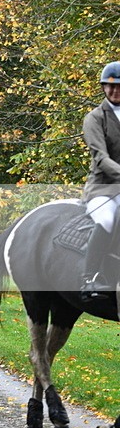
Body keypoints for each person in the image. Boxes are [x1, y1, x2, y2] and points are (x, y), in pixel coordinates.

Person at [81, 61, 120, 301]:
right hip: (102, 189)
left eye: (119, 87)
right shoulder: (95, 118)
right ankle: (89, 278)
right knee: (107, 219)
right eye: (110, 86)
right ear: (103, 87)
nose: (115, 91)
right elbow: (101, 158)